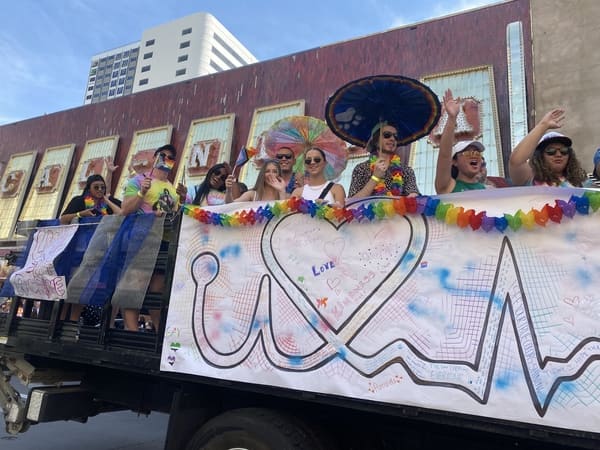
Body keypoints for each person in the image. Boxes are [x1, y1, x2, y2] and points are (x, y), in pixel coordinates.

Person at [120, 144, 188, 331]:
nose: (165, 159)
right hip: (142, 238)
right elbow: (125, 210)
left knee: (157, 289)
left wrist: (182, 200)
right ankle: (131, 331)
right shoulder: (138, 181)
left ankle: (159, 331)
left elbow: (178, 215)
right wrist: (142, 192)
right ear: (155, 158)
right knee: (136, 283)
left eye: (170, 157)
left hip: (166, 241)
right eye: (162, 155)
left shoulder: (173, 189)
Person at [59, 174, 122, 324]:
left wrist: (106, 199)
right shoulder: (79, 201)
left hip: (99, 253)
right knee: (73, 286)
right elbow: (63, 219)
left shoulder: (108, 203)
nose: (100, 189)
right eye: (96, 187)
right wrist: (81, 214)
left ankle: (74, 323)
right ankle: (62, 323)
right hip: (78, 252)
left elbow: (121, 214)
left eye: (102, 187)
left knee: (84, 289)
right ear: (88, 188)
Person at [509, 109, 588, 187]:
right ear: (540, 155)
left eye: (564, 151)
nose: (558, 154)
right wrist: (543, 125)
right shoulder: (530, 177)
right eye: (551, 151)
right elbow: (516, 161)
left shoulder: (581, 182)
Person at [435, 89, 487, 194]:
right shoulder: (448, 187)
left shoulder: (488, 190)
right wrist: (452, 118)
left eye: (477, 153)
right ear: (454, 162)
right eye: (468, 152)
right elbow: (445, 155)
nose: (474, 156)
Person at [348, 123, 419, 198]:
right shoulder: (361, 168)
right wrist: (375, 177)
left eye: (396, 136)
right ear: (376, 141)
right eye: (387, 135)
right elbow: (353, 202)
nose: (392, 139)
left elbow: (413, 195)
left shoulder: (406, 170)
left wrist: (413, 196)